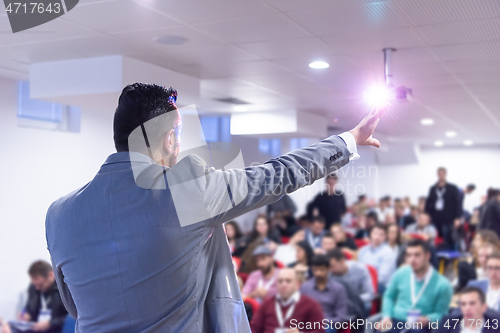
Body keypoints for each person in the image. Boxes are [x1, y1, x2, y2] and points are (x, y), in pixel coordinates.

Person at [45, 83, 384, 332]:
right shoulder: (185, 190)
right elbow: (275, 176)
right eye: (178, 135)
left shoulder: (58, 214)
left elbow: (75, 306)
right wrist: (349, 139)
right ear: (168, 140)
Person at [379, 239, 453, 333]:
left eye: (417, 255)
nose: (412, 260)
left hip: (421, 326)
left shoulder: (443, 284)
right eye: (409, 255)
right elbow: (389, 296)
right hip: (396, 321)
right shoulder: (401, 273)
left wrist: (428, 319)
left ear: (427, 256)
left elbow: (442, 315)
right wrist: (387, 316)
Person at [250, 268, 326, 333]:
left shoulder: (311, 305)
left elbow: (319, 331)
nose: (284, 284)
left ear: (297, 284)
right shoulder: (267, 303)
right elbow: (253, 327)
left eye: (288, 281)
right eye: (280, 281)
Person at [8, 261, 68, 333]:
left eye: (40, 284)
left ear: (51, 275)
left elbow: (71, 317)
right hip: (36, 327)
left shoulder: (64, 289)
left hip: (56, 328)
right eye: (35, 285)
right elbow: (30, 308)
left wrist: (50, 324)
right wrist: (27, 315)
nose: (37, 288)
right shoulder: (34, 288)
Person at [300, 255, 348, 332]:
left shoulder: (338, 289)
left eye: (322, 270)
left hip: (328, 325)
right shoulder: (305, 287)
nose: (318, 273)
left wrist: (322, 321)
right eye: (315, 270)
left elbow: (341, 317)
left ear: (328, 269)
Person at [327, 248, 375, 314]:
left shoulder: (360, 269)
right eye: (329, 267)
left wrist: (353, 300)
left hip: (358, 302)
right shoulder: (329, 273)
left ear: (342, 261)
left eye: (333, 266)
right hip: (336, 304)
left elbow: (370, 294)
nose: (330, 270)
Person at [424, 167, 462, 250]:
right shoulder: (433, 188)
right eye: (439, 173)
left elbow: (458, 204)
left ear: (445, 174)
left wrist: (457, 218)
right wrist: (426, 215)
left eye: (442, 173)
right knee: (435, 238)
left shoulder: (452, 188)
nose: (441, 175)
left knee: (448, 238)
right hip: (435, 218)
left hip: (448, 218)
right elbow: (428, 203)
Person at [434, 286, 500, 333]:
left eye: (472, 303)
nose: (467, 308)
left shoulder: (496, 326)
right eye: (463, 304)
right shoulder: (447, 324)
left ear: (484, 307)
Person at [358, 224, 397, 293]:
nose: (377, 237)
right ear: (371, 234)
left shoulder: (388, 253)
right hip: (364, 283)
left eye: (381, 235)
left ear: (385, 237)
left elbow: (381, 279)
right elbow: (358, 270)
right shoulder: (363, 250)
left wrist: (363, 283)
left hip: (381, 286)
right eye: (375, 233)